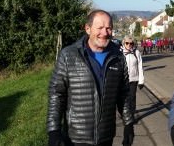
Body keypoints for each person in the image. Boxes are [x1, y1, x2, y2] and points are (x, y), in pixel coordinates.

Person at [47, 10, 134, 146]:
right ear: (88, 29)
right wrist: (53, 130)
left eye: (108, 28)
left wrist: (128, 124)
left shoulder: (118, 58)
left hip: (105, 137)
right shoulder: (68, 56)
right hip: (75, 138)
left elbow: (124, 94)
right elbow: (56, 94)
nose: (105, 33)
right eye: (99, 28)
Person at [121, 35, 145, 119]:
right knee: (123, 98)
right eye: (127, 43)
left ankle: (131, 115)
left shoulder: (136, 52)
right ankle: (124, 113)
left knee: (132, 97)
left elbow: (140, 67)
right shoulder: (120, 52)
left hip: (134, 79)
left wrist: (141, 81)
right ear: (124, 43)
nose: (129, 45)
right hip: (122, 80)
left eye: (131, 43)